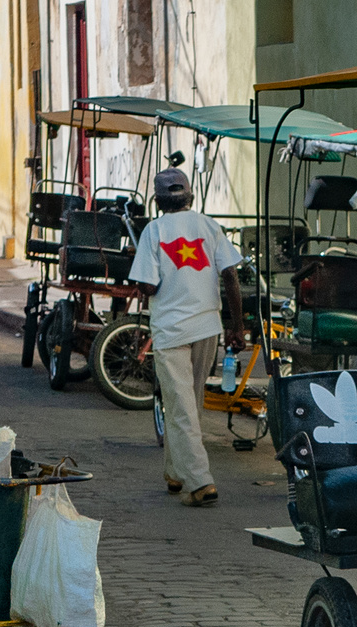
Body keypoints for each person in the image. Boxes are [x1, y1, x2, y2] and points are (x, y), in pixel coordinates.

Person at [128, 168, 244, 508]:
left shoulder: (154, 230)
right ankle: (175, 473)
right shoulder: (209, 226)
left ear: (158, 200)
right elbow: (232, 276)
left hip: (172, 329)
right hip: (208, 326)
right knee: (187, 403)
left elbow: (148, 286)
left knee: (179, 406)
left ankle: (200, 481)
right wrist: (236, 326)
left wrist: (142, 280)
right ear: (190, 195)